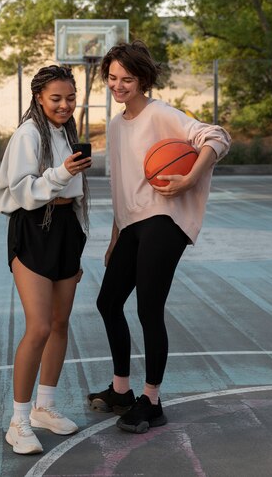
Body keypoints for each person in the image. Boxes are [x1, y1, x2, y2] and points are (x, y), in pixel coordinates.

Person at [87, 40, 231, 434]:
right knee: (108, 301)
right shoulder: (116, 125)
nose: (118, 86)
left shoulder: (161, 113)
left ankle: (151, 399)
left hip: (164, 220)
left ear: (143, 79)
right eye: (113, 78)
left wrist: (190, 177)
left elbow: (217, 137)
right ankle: (121, 391)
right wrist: (115, 237)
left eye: (127, 79)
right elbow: (121, 185)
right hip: (132, 224)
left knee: (149, 308)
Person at [0, 65, 91, 454]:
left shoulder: (67, 133)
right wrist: (60, 173)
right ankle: (18, 420)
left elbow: (77, 192)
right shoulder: (27, 134)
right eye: (56, 98)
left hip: (66, 228)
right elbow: (18, 191)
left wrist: (79, 239)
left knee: (59, 323)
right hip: (34, 227)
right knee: (38, 327)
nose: (65, 104)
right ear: (38, 97)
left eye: (70, 97)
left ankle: (44, 407)